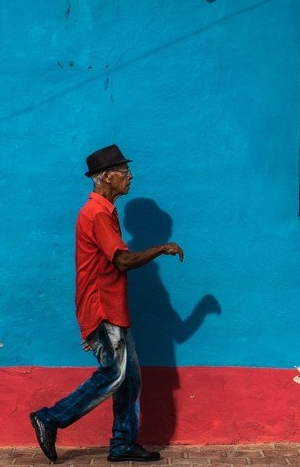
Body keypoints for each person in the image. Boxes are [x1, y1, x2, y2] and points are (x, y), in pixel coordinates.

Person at [30, 144, 184, 463]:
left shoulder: (104, 212)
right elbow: (122, 261)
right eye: (124, 172)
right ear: (105, 177)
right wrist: (161, 248)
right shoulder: (98, 213)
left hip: (110, 308)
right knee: (114, 374)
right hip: (102, 307)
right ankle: (50, 418)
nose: (130, 177)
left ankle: (122, 444)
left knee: (129, 378)